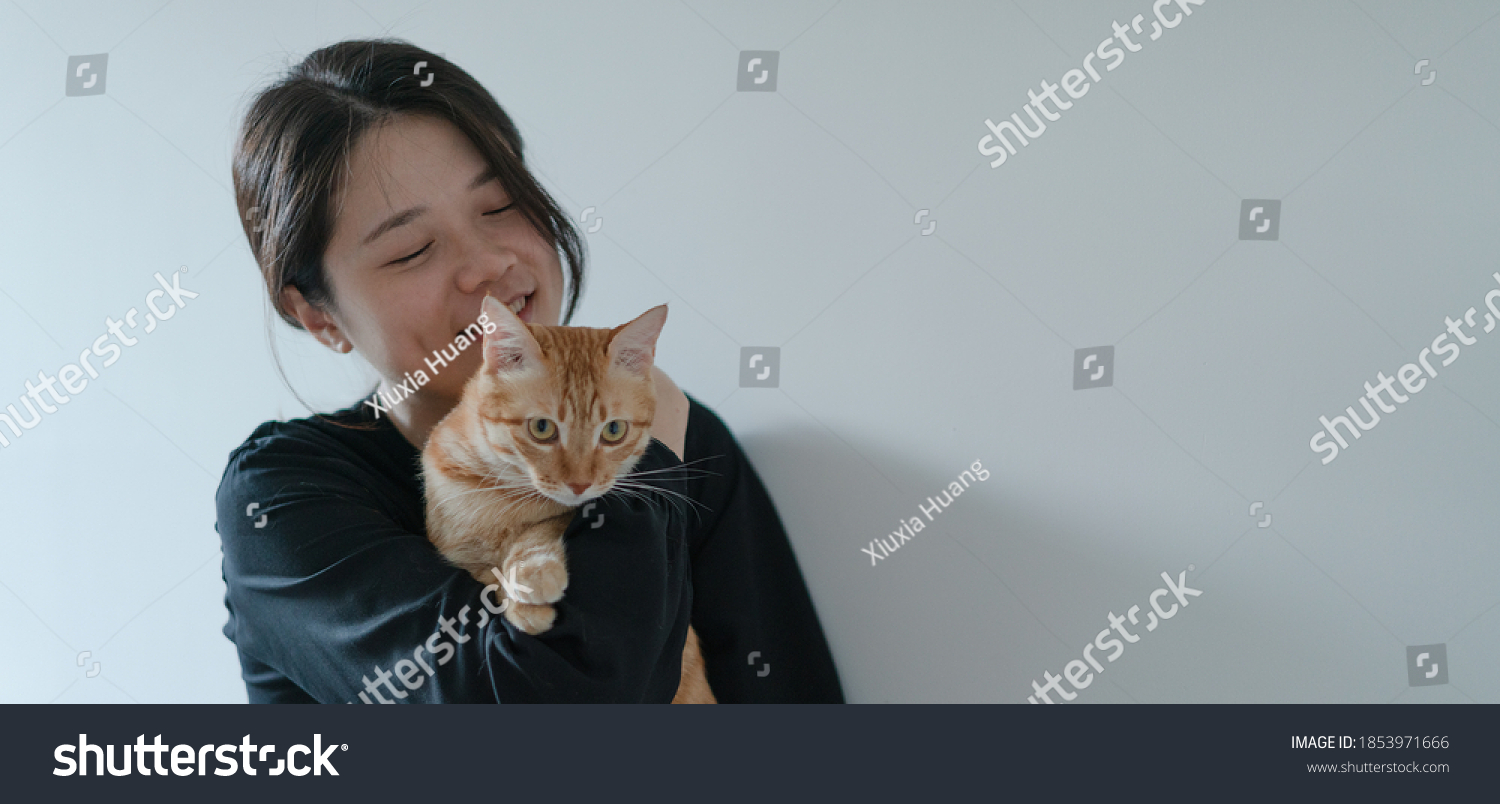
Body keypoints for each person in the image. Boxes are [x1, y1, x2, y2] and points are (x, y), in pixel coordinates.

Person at [215, 38, 844, 703]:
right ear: (319, 315)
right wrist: (645, 457)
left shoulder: (683, 440)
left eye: (498, 207)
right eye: (411, 249)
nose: (486, 264)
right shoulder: (283, 499)